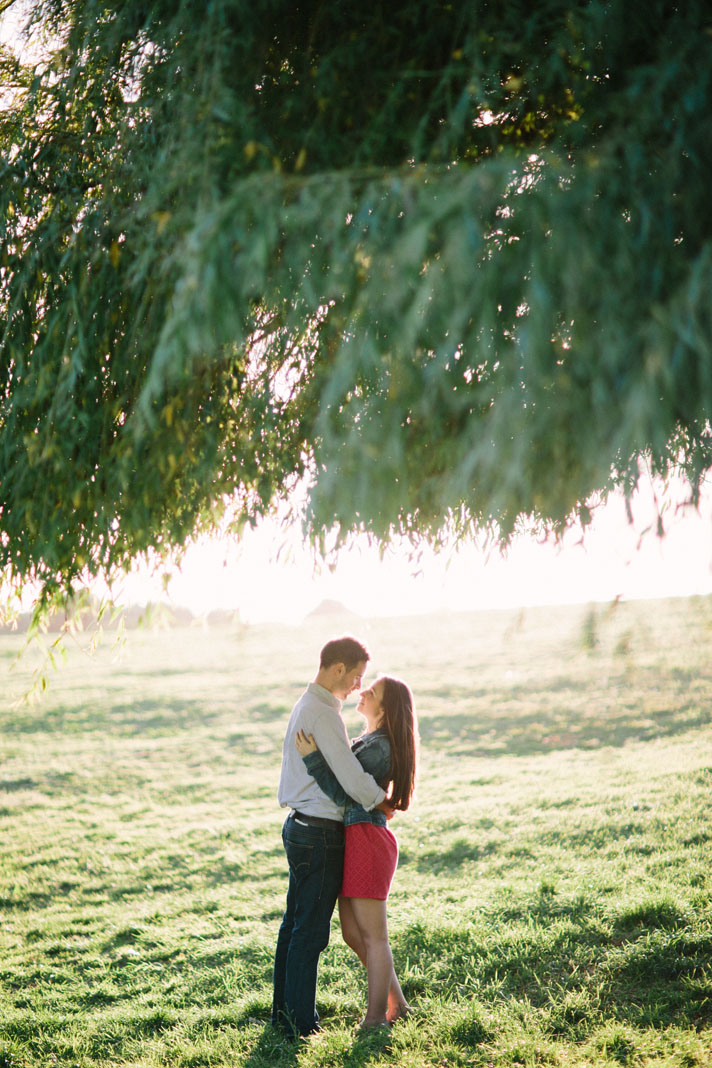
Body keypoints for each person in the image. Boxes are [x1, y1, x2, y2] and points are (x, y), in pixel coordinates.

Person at [272, 636, 388, 1039]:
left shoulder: (310, 705)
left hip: (301, 827)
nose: (358, 685)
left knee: (294, 925)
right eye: (356, 676)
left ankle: (283, 1014)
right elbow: (349, 775)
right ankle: (300, 1024)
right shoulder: (322, 713)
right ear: (338, 669)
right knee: (310, 931)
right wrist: (381, 800)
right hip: (319, 833)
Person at [295, 674, 418, 1030]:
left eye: (373, 691)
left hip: (367, 839)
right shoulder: (370, 741)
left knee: (375, 937)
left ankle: (377, 1017)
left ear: (386, 706)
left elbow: (345, 792)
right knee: (352, 933)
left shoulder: (381, 748)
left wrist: (314, 758)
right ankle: (399, 1004)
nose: (363, 692)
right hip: (355, 837)